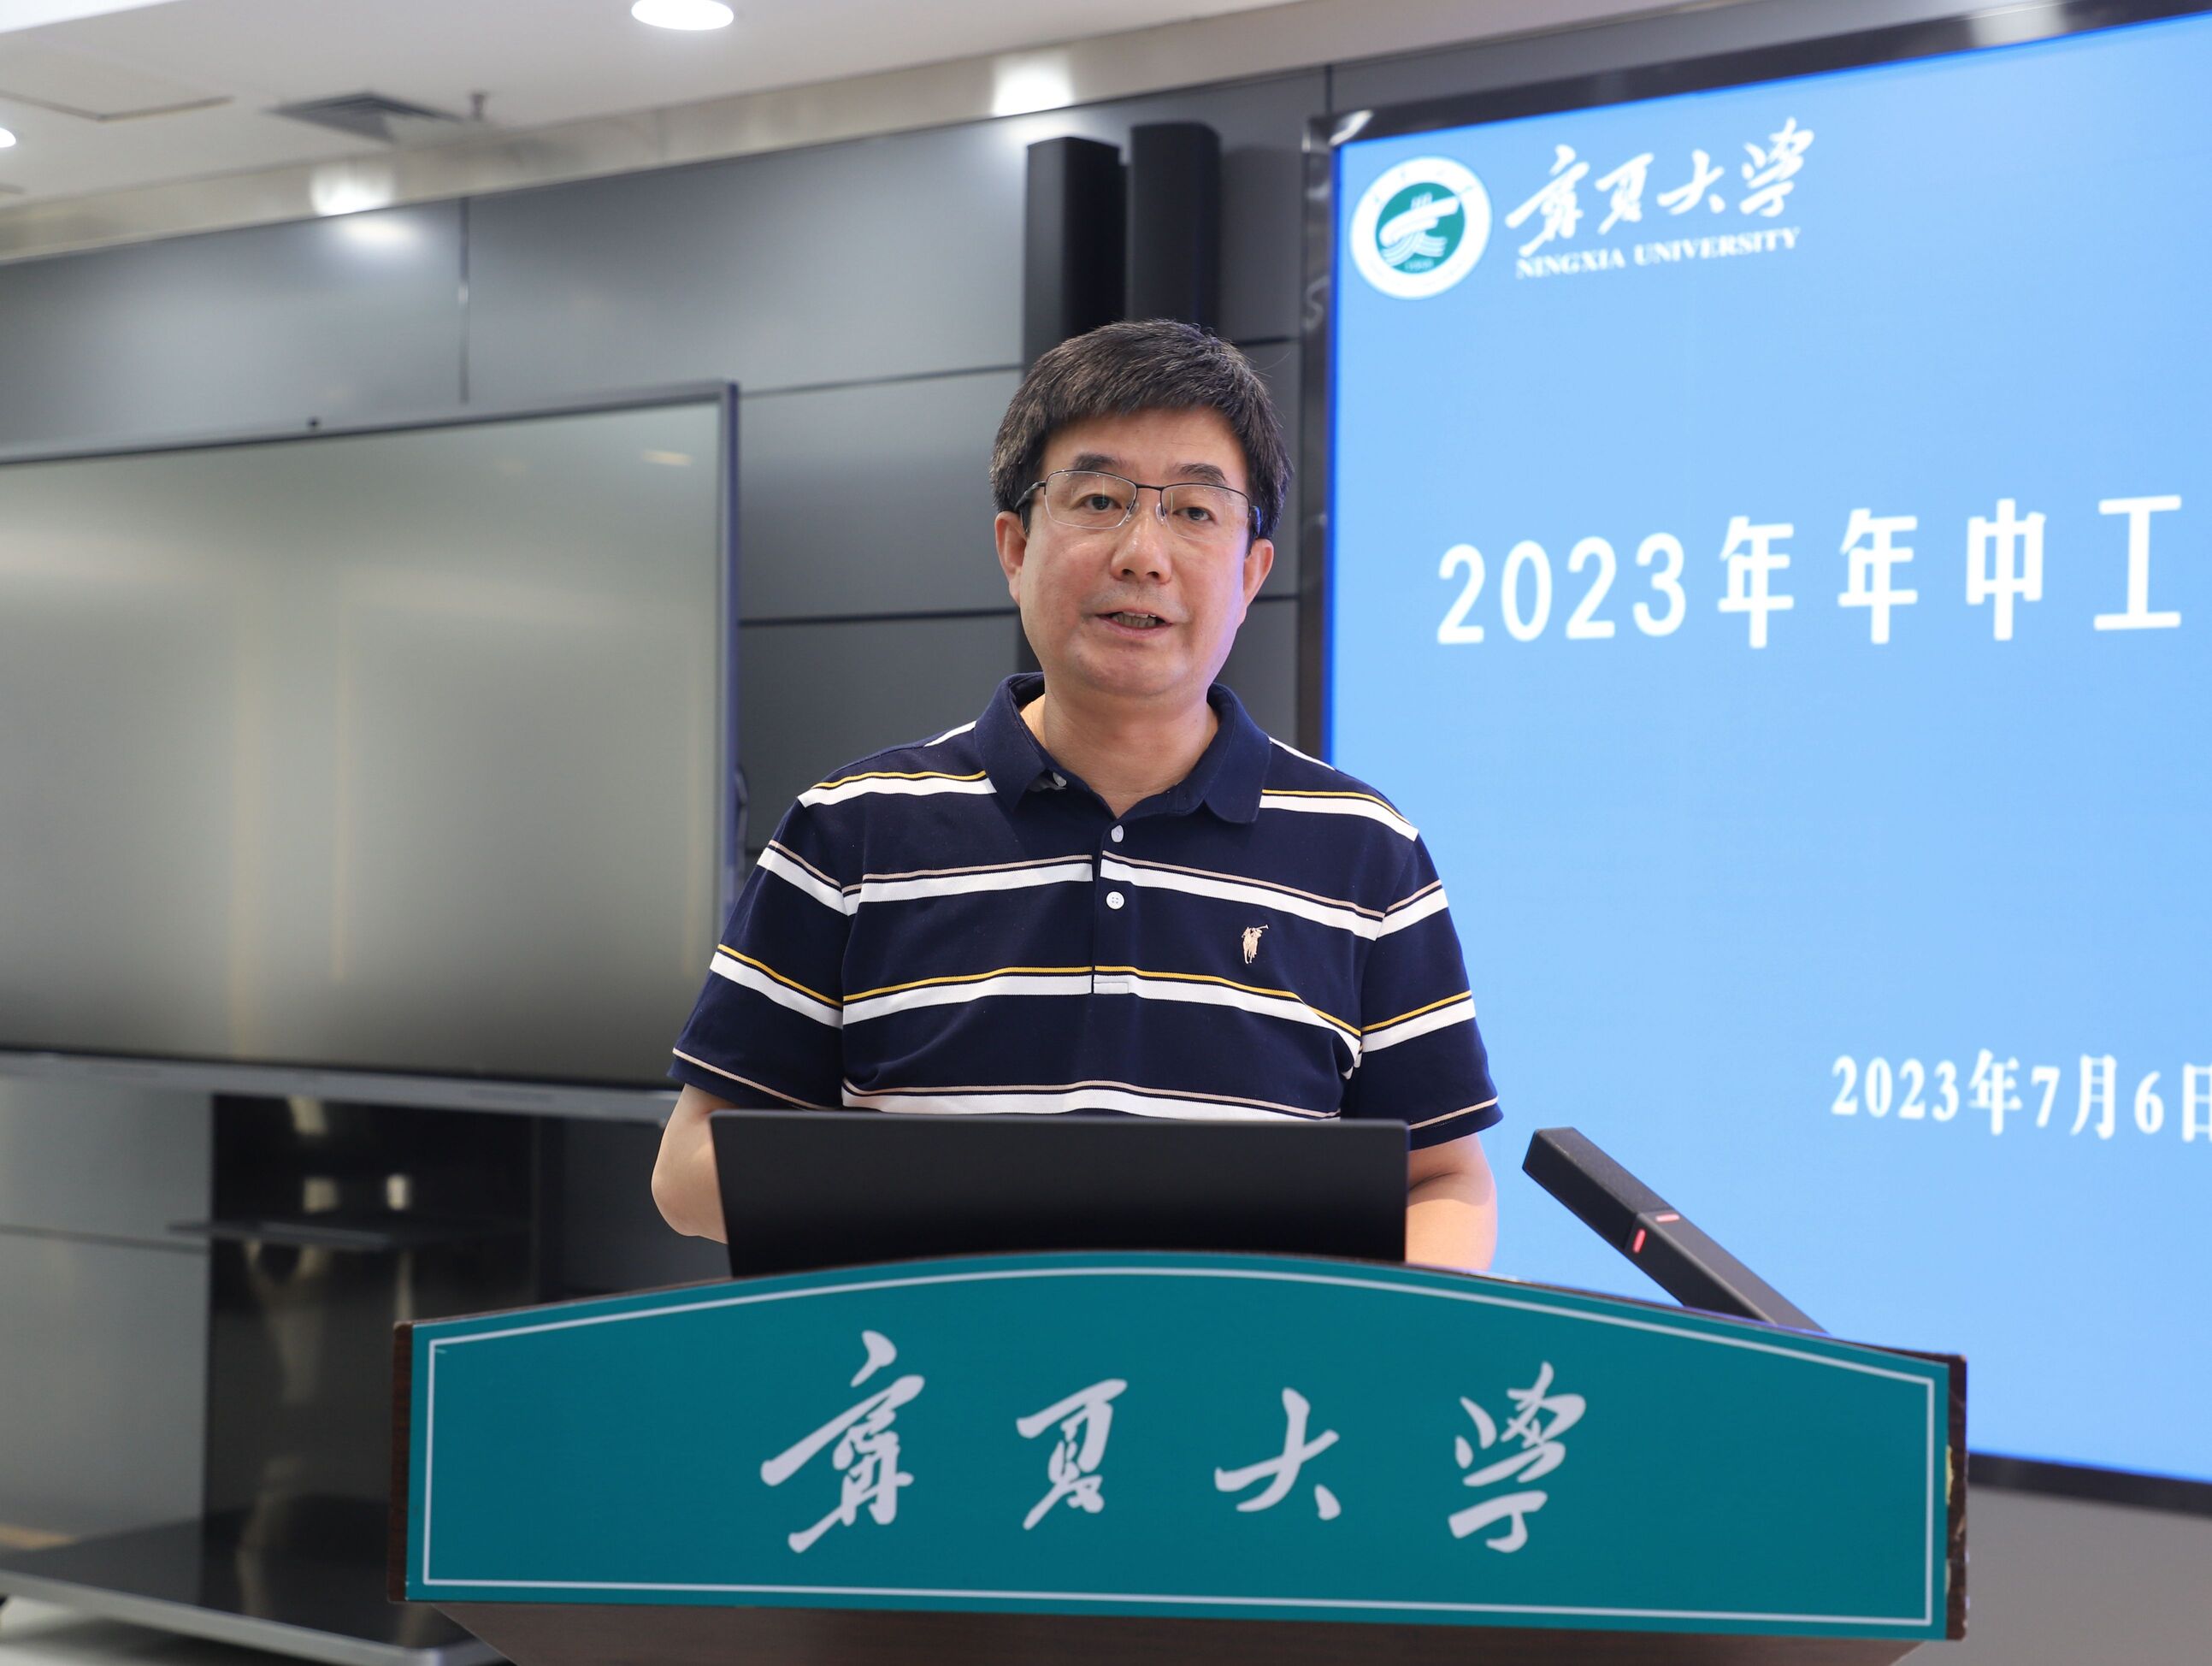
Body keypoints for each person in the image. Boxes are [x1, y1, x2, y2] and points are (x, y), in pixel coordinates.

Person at [652, 319, 1501, 1267]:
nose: (1143, 553)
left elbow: (1445, 1183)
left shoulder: (1365, 850)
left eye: (1195, 511)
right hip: (922, 1356)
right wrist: (964, 1210)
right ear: (1015, 546)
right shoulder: (851, 830)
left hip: (1248, 1364)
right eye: (1098, 499)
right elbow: (688, 1167)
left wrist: (1358, 1329)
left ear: (1252, 571)